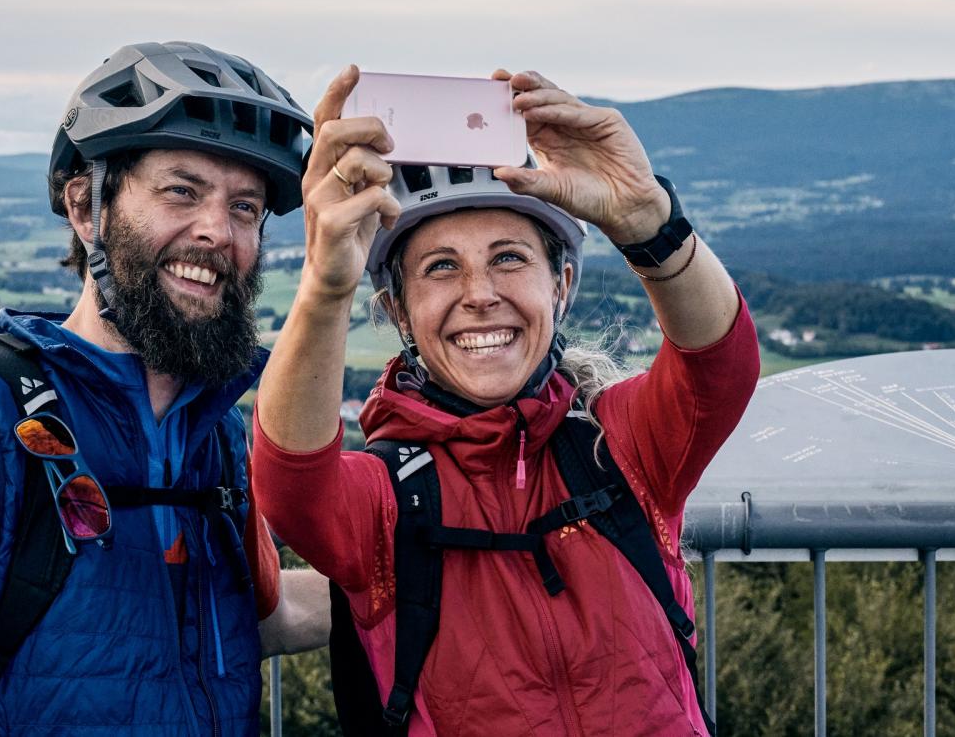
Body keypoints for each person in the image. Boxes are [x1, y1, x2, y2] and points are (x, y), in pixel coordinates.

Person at [252, 66, 759, 736]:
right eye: (440, 267)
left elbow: (720, 366)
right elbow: (291, 484)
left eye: (510, 258)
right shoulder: (386, 497)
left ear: (562, 285)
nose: (479, 292)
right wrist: (323, 284)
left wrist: (646, 219)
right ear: (397, 313)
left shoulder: (617, 448)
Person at [0, 42, 330, 737]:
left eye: (246, 206)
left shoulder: (215, 437)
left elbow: (267, 616)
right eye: (182, 190)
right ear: (86, 207)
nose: (216, 231)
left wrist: (456, 574)